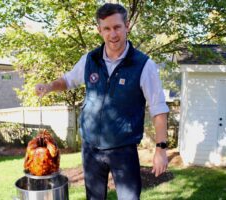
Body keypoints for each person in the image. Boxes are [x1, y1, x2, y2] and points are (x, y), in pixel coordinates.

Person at [35, 3, 169, 200]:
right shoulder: (90, 59)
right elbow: (68, 80)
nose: (112, 34)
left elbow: (158, 109)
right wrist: (49, 86)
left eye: (117, 27)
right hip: (91, 149)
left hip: (123, 150)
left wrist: (161, 149)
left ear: (127, 26)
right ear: (99, 30)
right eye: (106, 28)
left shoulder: (143, 65)